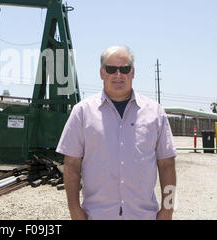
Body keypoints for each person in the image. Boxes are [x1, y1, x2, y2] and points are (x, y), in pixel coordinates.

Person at [56, 45, 177, 220]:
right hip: (96, 216)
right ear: (102, 73)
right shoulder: (82, 112)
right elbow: (71, 165)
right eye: (111, 69)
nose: (118, 75)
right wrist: (74, 210)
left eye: (125, 69)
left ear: (133, 72)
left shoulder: (155, 112)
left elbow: (167, 165)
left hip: (143, 216)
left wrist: (168, 210)